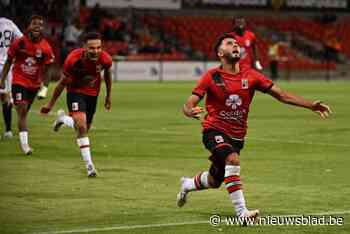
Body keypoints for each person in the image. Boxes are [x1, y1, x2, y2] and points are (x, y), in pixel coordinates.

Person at [177, 34, 331, 221]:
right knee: (232, 160)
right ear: (220, 52)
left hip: (237, 137)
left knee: (214, 180)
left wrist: (310, 105)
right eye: (229, 43)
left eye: (236, 43)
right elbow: (188, 103)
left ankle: (187, 184)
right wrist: (189, 111)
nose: (235, 45)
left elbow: (281, 95)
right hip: (213, 130)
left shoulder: (251, 75)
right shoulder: (211, 77)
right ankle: (242, 213)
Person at [41, 32, 113, 177]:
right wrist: (50, 104)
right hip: (75, 93)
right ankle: (89, 166)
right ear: (84, 47)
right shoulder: (73, 60)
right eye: (92, 48)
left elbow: (107, 75)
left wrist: (108, 96)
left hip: (93, 95)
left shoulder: (105, 59)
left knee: (83, 129)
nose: (96, 51)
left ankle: (62, 119)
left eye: (99, 47)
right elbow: (62, 84)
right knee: (81, 126)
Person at [0, 15, 54, 154]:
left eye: (40, 25)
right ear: (29, 26)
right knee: (22, 110)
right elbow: (8, 62)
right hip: (18, 80)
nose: (37, 27)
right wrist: (2, 79)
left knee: (24, 112)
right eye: (34, 24)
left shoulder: (46, 48)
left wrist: (45, 88)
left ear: (43, 28)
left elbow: (48, 70)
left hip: (34, 85)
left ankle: (16, 131)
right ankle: (25, 146)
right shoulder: (19, 43)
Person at [0, 17, 23, 139]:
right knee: (6, 97)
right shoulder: (9, 23)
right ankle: (8, 131)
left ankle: (8, 130)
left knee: (6, 97)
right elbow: (21, 40)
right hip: (5, 64)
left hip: (5, 64)